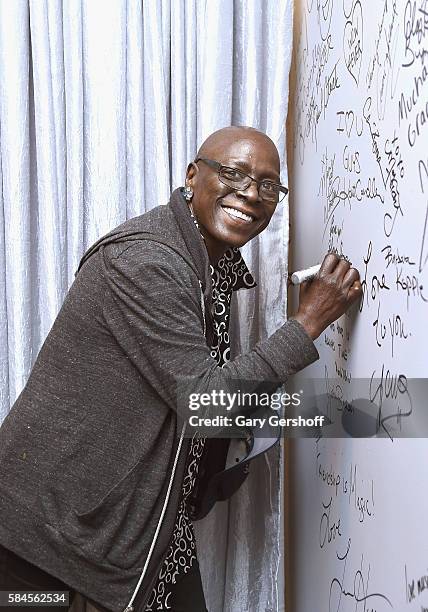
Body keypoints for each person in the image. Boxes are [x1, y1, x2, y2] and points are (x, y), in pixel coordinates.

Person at [0, 126, 362, 612]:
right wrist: (309, 321)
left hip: (142, 531)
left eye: (269, 186)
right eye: (233, 174)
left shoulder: (210, 269)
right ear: (193, 176)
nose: (252, 194)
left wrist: (377, 414)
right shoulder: (146, 260)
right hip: (46, 547)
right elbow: (204, 402)